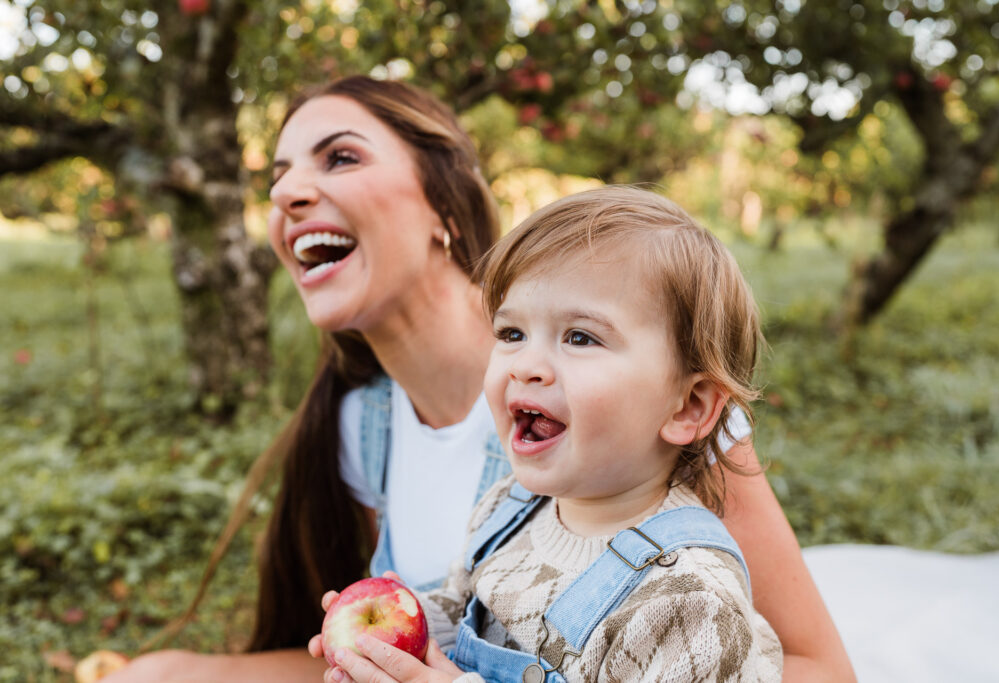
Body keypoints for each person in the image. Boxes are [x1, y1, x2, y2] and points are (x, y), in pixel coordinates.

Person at [107, 76, 853, 682]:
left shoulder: (657, 427)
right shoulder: (389, 439)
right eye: (277, 176)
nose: (287, 194)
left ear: (444, 201)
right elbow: (465, 619)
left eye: (338, 158)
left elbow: (820, 667)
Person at [313, 186, 784, 682]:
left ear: (687, 407)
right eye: (511, 334)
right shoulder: (509, 507)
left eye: (580, 337)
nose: (527, 365)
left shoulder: (689, 602)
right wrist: (399, 631)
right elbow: (469, 609)